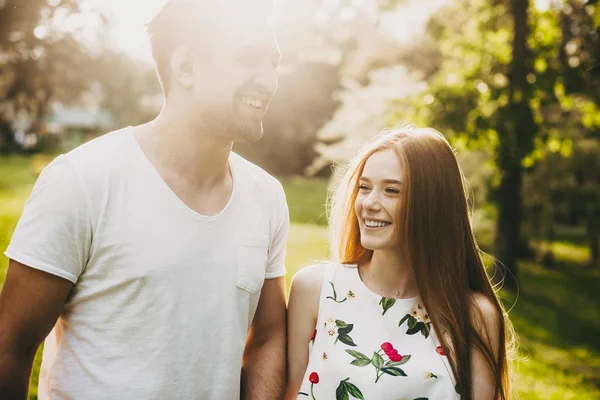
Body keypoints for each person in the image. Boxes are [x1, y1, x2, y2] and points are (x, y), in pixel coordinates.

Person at [0, 0, 288, 399]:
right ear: (184, 66)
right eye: (248, 60)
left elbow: (270, 337)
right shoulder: (82, 181)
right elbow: (10, 347)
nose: (269, 81)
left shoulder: (266, 196)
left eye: (273, 63)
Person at [286, 126, 515, 400]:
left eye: (391, 191)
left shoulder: (474, 316)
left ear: (432, 203)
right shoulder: (315, 290)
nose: (369, 202)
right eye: (364, 187)